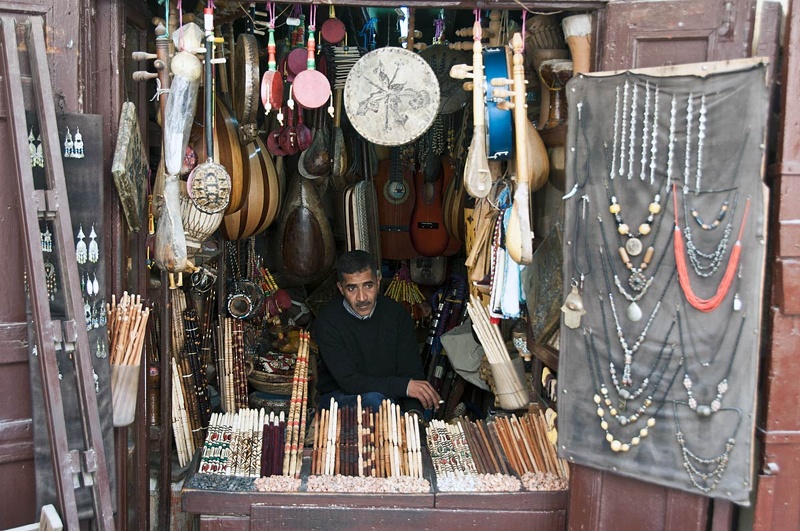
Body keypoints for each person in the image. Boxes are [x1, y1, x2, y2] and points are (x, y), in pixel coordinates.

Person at [312, 250, 441, 414]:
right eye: (352, 288)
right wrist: (404, 387)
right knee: (376, 401)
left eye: (368, 285)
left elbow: (411, 374)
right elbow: (349, 382)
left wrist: (413, 413)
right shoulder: (328, 320)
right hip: (340, 399)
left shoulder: (397, 314)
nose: (362, 297)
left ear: (378, 281)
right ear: (341, 288)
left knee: (425, 406)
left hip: (390, 397)